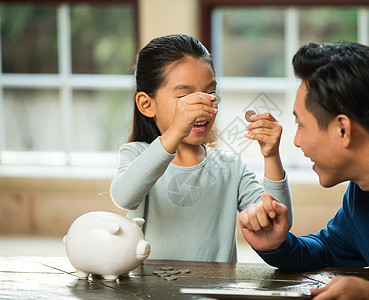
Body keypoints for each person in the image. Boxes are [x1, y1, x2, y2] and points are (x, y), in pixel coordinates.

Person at [239, 41, 369, 299]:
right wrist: (279, 245)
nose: (296, 141)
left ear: (343, 130)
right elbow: (326, 248)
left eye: (301, 125)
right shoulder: (363, 190)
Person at [110, 34, 292, 263]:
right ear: (147, 105)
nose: (202, 106)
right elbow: (123, 196)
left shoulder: (230, 166)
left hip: (214, 292)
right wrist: (175, 131)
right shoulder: (137, 154)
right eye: (185, 96)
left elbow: (277, 221)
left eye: (209, 93)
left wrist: (271, 156)